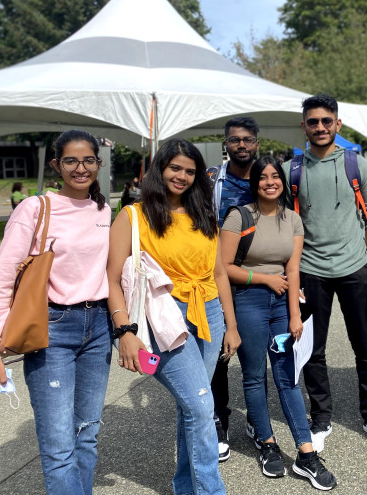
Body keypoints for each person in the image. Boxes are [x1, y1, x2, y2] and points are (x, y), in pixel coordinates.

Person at [107, 139, 241, 495]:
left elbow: (220, 274)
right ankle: (212, 491)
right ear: (160, 169)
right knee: (200, 405)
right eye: (175, 168)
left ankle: (186, 486)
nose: (181, 176)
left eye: (190, 171)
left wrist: (231, 325)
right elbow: (111, 278)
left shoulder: (204, 214)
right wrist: (125, 331)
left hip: (209, 311)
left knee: (192, 406)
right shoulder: (133, 215)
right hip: (162, 317)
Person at [0, 130, 112, 494]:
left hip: (100, 328)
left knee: (87, 435)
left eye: (88, 160)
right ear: (56, 165)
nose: (81, 168)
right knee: (60, 446)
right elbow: (2, 277)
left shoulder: (104, 210)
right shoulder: (35, 208)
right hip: (53, 328)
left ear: (99, 163)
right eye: (71, 161)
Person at [282, 93, 367, 452]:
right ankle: (321, 417)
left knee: (365, 345)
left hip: (354, 268)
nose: (320, 127)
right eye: (312, 122)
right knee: (312, 348)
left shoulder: (358, 165)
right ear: (304, 127)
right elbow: (283, 223)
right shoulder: (290, 171)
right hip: (311, 270)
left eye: (326, 121)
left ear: (337, 124)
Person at [220, 157, 337, 490]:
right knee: (255, 376)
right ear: (254, 182)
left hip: (282, 305)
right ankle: (267, 444)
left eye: (275, 176)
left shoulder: (293, 220)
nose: (270, 182)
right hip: (248, 302)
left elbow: (294, 268)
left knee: (287, 376)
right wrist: (264, 279)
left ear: (283, 182)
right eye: (263, 177)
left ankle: (306, 453)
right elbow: (223, 267)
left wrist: (295, 314)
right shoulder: (239, 216)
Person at [207, 117, 259, 461]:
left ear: (257, 143)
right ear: (226, 144)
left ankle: (257, 418)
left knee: (258, 355)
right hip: (219, 278)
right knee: (220, 358)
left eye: (247, 140)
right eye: (234, 140)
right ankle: (219, 422)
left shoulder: (270, 176)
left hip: (261, 279)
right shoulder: (214, 181)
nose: (241, 145)